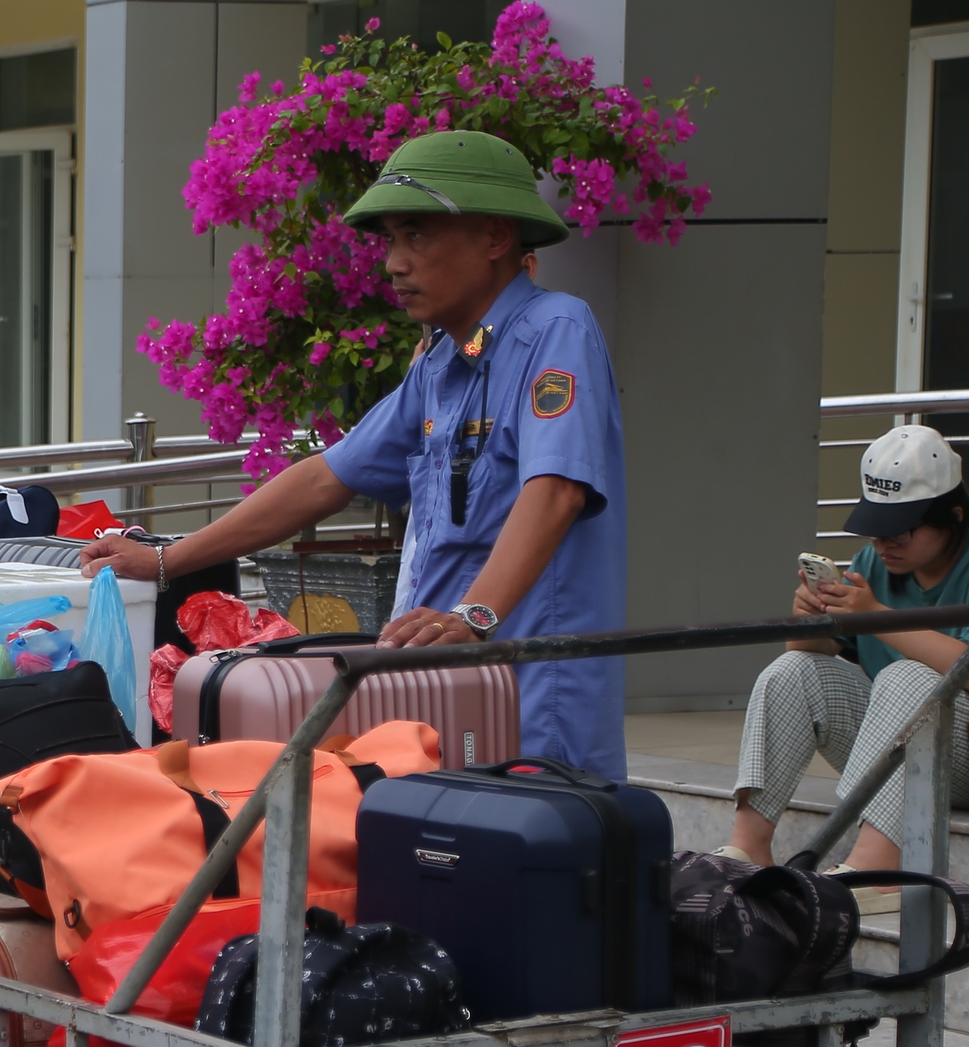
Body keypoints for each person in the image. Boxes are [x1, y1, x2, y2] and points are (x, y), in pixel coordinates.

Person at [82, 130, 628, 777]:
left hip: (533, 705)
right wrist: (168, 560)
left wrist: (474, 615)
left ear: (494, 237)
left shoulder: (556, 329)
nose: (395, 262)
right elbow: (324, 478)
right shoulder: (443, 365)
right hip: (442, 692)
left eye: (417, 234)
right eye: (391, 239)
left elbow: (556, 488)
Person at [723, 425, 969, 909]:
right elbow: (808, 652)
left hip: (962, 755)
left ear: (953, 517)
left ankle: (879, 870)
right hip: (906, 760)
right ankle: (748, 847)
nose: (883, 542)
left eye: (900, 528)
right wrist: (812, 617)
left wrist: (874, 615)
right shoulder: (872, 564)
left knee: (906, 675)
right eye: (875, 526)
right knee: (790, 671)